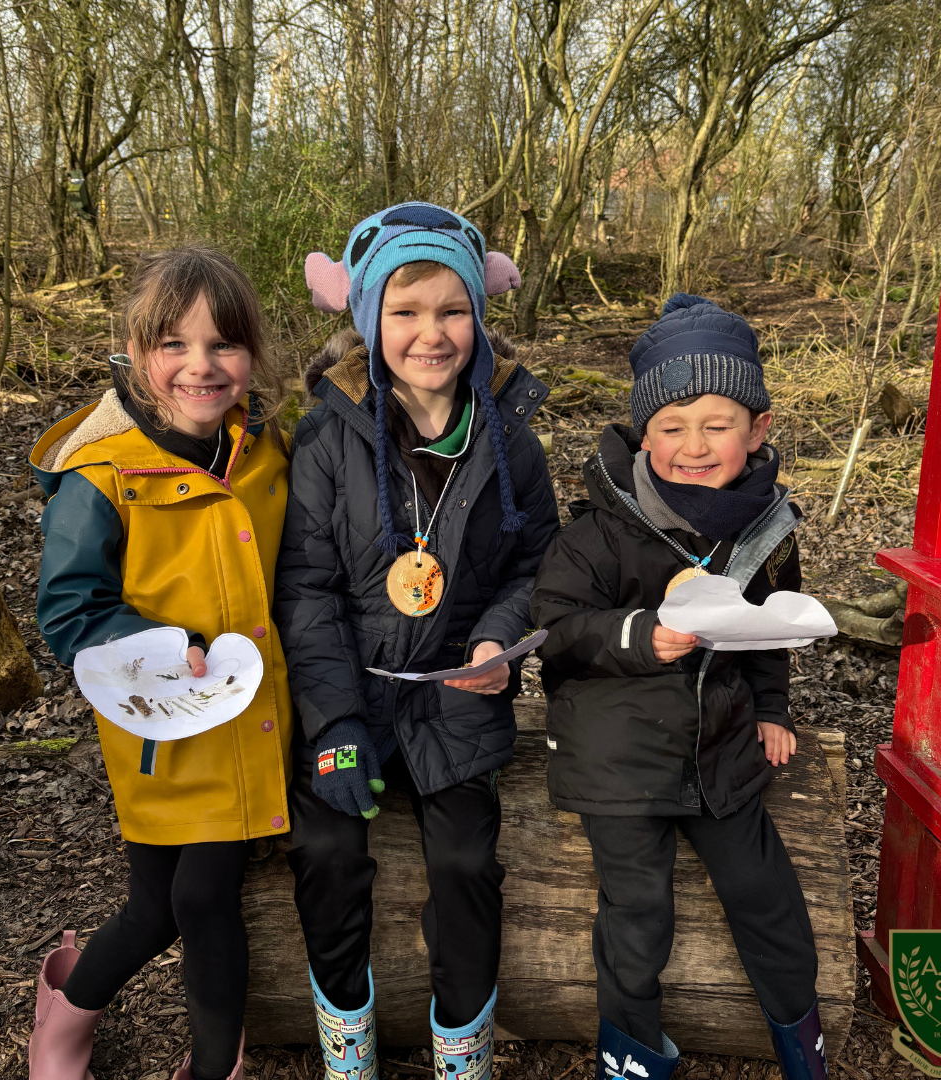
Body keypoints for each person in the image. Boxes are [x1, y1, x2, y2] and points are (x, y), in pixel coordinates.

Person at [274, 202, 559, 1080]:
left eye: (451, 310)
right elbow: (308, 590)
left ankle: (461, 1053)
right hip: (352, 689)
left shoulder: (512, 438)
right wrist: (330, 726)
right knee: (325, 849)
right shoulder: (327, 439)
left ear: (479, 314)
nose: (430, 334)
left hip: (454, 697)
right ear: (369, 322)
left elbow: (535, 566)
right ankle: (347, 1047)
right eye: (405, 312)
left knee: (469, 864)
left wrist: (498, 641)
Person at [529, 293, 827, 1080]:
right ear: (641, 433)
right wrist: (638, 635)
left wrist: (769, 708)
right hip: (618, 758)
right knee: (639, 918)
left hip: (720, 749)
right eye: (671, 426)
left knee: (768, 896)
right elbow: (552, 632)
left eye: (717, 424)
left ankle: (805, 1044)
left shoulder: (765, 529)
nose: (694, 446)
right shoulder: (596, 532)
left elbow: (772, 629)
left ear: (758, 429)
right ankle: (629, 1060)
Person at [26, 247, 294, 1080]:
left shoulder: (269, 454)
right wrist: (152, 646)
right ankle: (65, 1012)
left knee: (201, 896)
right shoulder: (101, 475)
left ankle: (217, 1064)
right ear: (139, 355)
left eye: (224, 345)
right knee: (154, 907)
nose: (201, 367)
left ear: (252, 355)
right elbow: (71, 608)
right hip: (157, 724)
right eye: (174, 345)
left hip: (249, 725)